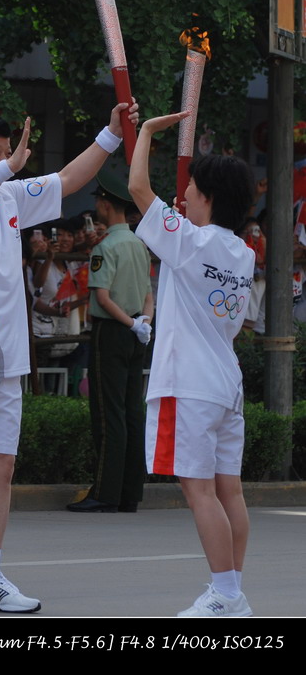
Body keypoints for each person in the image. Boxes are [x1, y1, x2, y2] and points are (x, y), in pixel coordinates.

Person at [0, 102, 138, 613]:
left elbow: (69, 178)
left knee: (1, 468)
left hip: (6, 363)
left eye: (6, 151)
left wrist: (110, 134)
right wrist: (6, 169)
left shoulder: (11, 197)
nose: (5, 159)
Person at [128, 112, 255, 617]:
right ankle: (232, 592)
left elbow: (137, 187)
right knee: (229, 492)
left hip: (189, 384)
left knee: (200, 492)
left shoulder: (187, 241)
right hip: (226, 385)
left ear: (208, 196)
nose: (184, 195)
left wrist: (143, 133)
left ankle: (224, 594)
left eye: (191, 188)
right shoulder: (242, 253)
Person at [66, 168, 153, 513]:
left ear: (105, 205)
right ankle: (130, 493)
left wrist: (130, 323)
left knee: (107, 412)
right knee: (132, 410)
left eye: (99, 201)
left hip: (112, 331)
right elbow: (148, 294)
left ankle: (105, 492)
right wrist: (142, 323)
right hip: (136, 332)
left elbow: (102, 298)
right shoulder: (139, 244)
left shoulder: (106, 247)